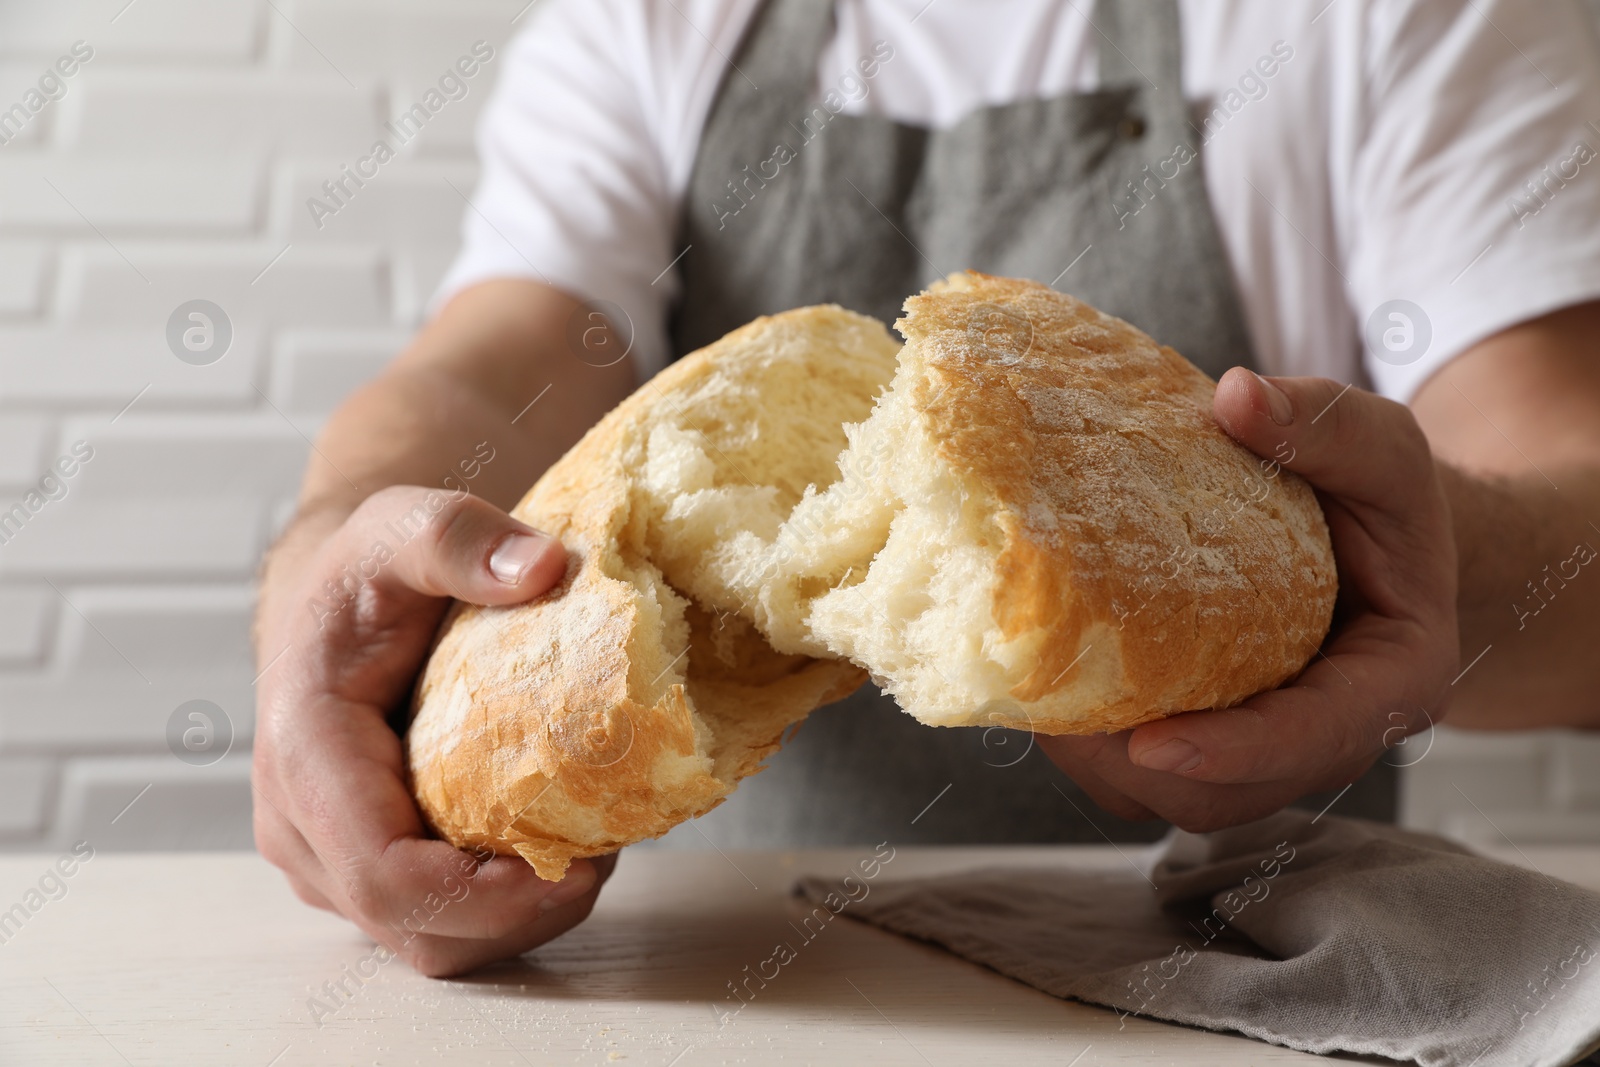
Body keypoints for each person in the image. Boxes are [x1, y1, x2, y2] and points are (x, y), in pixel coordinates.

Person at [252, 0, 1600, 976]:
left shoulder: (1410, 17)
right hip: (734, 982)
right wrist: (333, 545)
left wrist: (1405, 570)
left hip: (1242, 986)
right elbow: (497, 368)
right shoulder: (656, 21)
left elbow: (1575, 513)